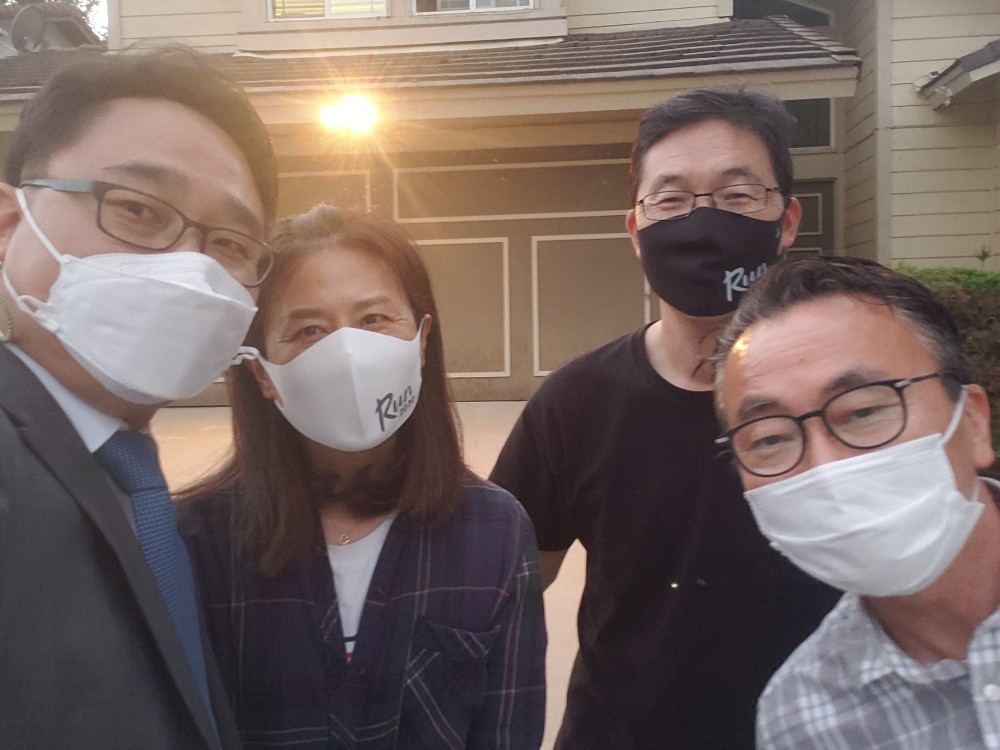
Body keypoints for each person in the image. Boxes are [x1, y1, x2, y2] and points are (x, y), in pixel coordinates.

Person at [489, 88, 841, 748]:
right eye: (672, 200)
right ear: (636, 230)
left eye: (737, 196)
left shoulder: (856, 401)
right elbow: (498, 591)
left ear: (787, 220)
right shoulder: (576, 402)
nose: (702, 224)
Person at [178, 204, 547, 750]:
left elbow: (507, 730)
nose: (347, 353)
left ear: (421, 342)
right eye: (309, 329)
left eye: (374, 319)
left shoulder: (495, 530)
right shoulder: (194, 541)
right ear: (261, 371)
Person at [0, 48, 277, 748]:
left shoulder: (134, 485)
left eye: (231, 244)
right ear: (8, 224)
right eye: (136, 209)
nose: (190, 268)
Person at [713, 256, 999, 749]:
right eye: (769, 438)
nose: (825, 467)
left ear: (973, 423)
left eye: (864, 411)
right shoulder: (804, 720)